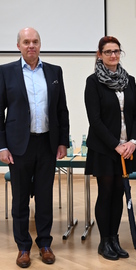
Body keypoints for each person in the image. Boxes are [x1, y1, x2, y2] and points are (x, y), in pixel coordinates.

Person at [0, 27, 69, 268]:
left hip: (47, 144)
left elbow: (62, 109)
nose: (31, 45)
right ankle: (23, 247)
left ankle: (45, 244)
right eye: (26, 42)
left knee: (44, 197)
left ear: (40, 45)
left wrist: (63, 141)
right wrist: (2, 147)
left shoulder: (53, 71)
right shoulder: (5, 72)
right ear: (18, 45)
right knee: (19, 199)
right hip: (19, 146)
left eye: (35, 41)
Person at [84, 36, 136, 261]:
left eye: (116, 51)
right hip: (105, 149)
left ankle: (115, 238)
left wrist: (133, 142)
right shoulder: (93, 82)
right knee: (106, 193)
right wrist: (116, 145)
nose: (113, 55)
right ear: (100, 55)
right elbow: (95, 120)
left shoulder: (130, 80)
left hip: (127, 149)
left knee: (119, 193)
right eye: (108, 52)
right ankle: (104, 241)